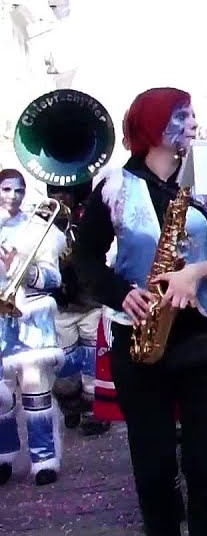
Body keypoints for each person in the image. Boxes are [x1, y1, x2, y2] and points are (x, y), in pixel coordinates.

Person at [74, 87, 207, 535]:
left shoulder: (205, 183)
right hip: (140, 339)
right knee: (153, 470)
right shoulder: (113, 186)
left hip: (205, 337)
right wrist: (119, 292)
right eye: (181, 116)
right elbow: (86, 257)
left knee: (205, 466)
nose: (192, 123)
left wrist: (195, 274)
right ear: (152, 126)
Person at [0, 169, 66, 485]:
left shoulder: (38, 230)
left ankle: (44, 460)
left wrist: (26, 275)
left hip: (31, 319)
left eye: (19, 190)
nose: (12, 196)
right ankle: (3, 455)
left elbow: (54, 279)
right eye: (6, 189)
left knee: (35, 390)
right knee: (0, 395)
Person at [47, 182, 112, 438]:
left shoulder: (90, 214)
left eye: (64, 192)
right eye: (54, 192)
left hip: (90, 300)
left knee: (93, 360)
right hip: (61, 303)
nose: (60, 196)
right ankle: (70, 402)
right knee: (64, 363)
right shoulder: (45, 219)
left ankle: (96, 410)